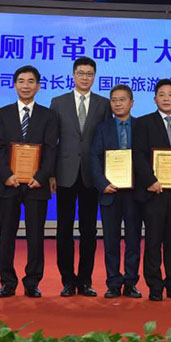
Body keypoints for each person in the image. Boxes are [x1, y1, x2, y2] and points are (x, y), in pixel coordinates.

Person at [0, 65, 59, 298]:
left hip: (36, 185)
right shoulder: (2, 113)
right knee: (6, 235)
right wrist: (6, 174)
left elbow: (51, 150)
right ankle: (7, 282)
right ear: (14, 85)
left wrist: (40, 176)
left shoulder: (48, 116)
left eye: (31, 81)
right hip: (8, 183)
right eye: (21, 81)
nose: (26, 86)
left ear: (38, 86)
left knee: (35, 235)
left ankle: (32, 282)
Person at [50, 57, 108, 297]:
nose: (85, 77)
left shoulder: (103, 104)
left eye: (89, 73)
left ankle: (85, 281)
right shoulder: (58, 102)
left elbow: (106, 142)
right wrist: (51, 174)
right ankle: (67, 280)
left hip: (91, 175)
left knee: (89, 230)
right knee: (64, 229)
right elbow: (52, 141)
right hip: (65, 174)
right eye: (81, 73)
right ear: (73, 75)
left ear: (94, 76)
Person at [132, 79, 171, 301]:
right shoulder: (143, 123)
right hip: (153, 192)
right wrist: (151, 180)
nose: (166, 98)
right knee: (153, 241)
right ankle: (155, 286)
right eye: (162, 95)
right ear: (155, 98)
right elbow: (138, 155)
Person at [89, 85, 142, 299]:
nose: (118, 104)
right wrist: (102, 184)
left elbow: (147, 159)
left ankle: (130, 282)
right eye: (114, 100)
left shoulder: (141, 126)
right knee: (110, 240)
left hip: (134, 193)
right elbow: (94, 157)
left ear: (132, 102)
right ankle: (113, 282)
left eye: (122, 99)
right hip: (109, 192)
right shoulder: (102, 128)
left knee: (133, 240)